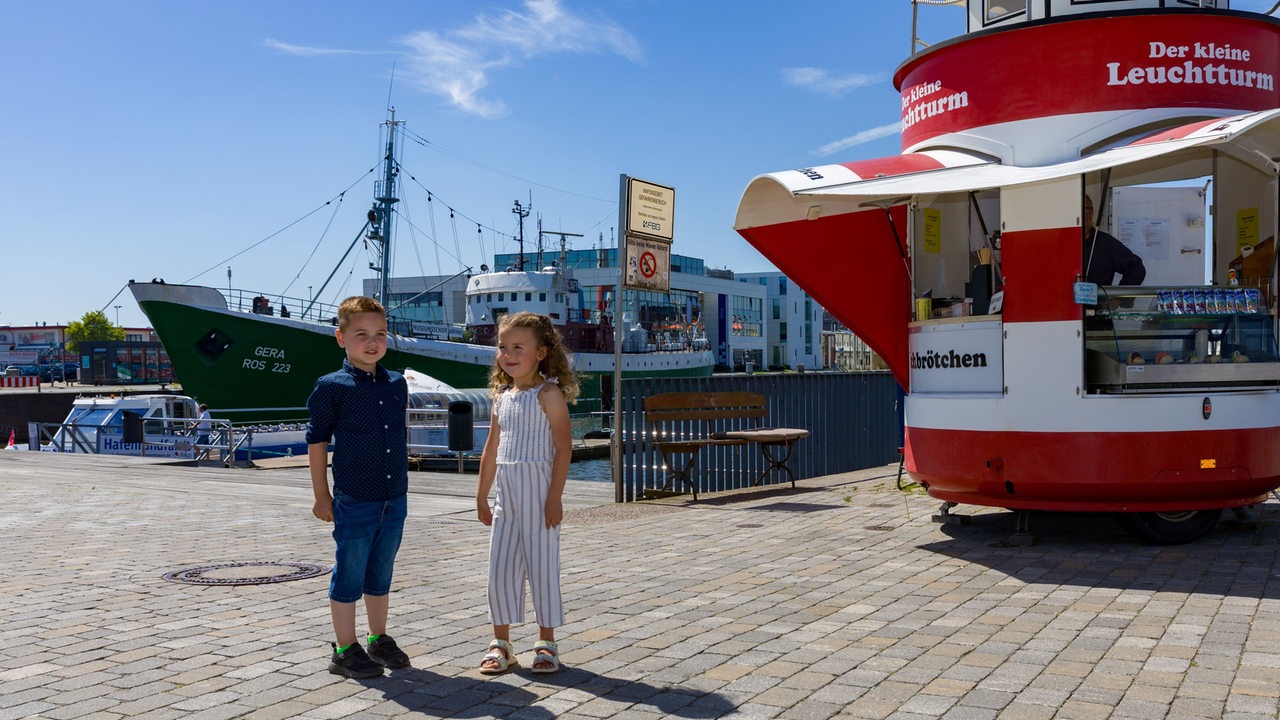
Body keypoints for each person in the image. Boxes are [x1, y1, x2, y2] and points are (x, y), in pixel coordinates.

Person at [305, 296, 411, 679]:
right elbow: (317, 441)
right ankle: (344, 649)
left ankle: (377, 638)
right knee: (349, 572)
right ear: (341, 338)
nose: (372, 342)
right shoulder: (331, 387)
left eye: (380, 334)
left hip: (394, 497)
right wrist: (322, 495)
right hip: (355, 498)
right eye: (361, 334)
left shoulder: (397, 383)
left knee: (381, 569)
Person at [475, 311, 579, 675]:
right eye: (503, 347)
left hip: (539, 493)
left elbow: (563, 447)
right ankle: (501, 643)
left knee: (542, 566)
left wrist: (554, 497)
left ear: (541, 352)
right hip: (506, 497)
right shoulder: (501, 396)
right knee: (500, 568)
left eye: (518, 347)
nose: (508, 354)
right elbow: (491, 448)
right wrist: (481, 495)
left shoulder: (548, 393)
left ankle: (546, 641)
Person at [1083, 195, 1146, 287]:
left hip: (1098, 296)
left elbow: (1136, 268)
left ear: (1092, 212)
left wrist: (1119, 295)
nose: (1082, 214)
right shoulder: (1062, 243)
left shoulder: (1106, 243)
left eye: (1086, 209)